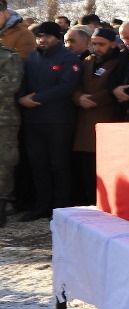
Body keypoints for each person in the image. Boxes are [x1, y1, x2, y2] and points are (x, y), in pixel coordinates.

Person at [15, 21, 82, 220]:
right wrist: (20, 98)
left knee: (58, 164)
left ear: (57, 38)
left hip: (58, 121)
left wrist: (35, 99)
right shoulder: (32, 57)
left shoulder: (69, 58)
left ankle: (60, 207)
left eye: (47, 36)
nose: (42, 40)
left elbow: (66, 87)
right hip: (33, 120)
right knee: (38, 165)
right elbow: (22, 82)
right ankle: (41, 205)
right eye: (39, 36)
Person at [72, 27, 122, 204]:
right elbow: (76, 85)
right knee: (86, 168)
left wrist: (94, 99)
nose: (97, 48)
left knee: (102, 167)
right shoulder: (87, 60)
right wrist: (79, 98)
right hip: (84, 122)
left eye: (101, 44)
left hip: (105, 118)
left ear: (113, 44)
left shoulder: (120, 62)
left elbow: (114, 88)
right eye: (94, 44)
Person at [0, 34, 20, 226]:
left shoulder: (8, 56)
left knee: (3, 164)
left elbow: (10, 85)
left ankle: (2, 206)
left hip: (3, 120)